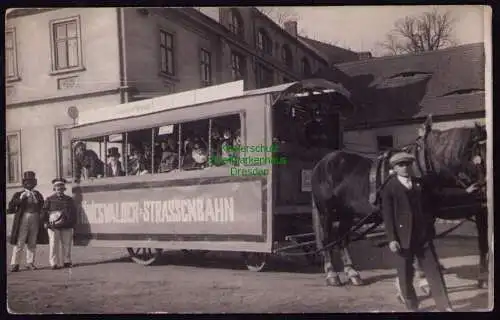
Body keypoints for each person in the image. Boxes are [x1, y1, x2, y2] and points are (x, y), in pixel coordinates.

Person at [380, 151, 453, 312]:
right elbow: (388, 216)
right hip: (403, 239)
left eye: (408, 164)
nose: (405, 168)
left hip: (422, 236)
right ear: (394, 168)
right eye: (401, 165)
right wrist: (392, 239)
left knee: (434, 271)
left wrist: (466, 192)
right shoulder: (389, 188)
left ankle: (445, 306)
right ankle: (412, 306)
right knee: (405, 274)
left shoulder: (419, 184)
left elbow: (439, 197)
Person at [8, 171, 46, 272]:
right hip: (23, 218)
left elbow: (43, 206)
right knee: (20, 241)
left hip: (35, 218)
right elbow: (11, 207)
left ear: (34, 183)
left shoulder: (37, 194)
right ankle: (15, 263)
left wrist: (42, 216)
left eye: (31, 181)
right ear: (24, 183)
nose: (29, 183)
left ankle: (30, 263)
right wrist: (20, 199)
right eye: (27, 181)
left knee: (32, 241)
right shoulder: (19, 194)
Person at [42, 178, 78, 269]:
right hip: (53, 224)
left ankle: (67, 261)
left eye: (61, 188)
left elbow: (73, 212)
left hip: (67, 224)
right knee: (54, 243)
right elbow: (44, 212)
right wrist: (45, 222)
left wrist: (72, 223)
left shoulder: (69, 199)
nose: (60, 189)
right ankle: (54, 263)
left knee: (67, 243)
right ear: (54, 188)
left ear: (64, 189)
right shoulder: (49, 199)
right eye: (57, 187)